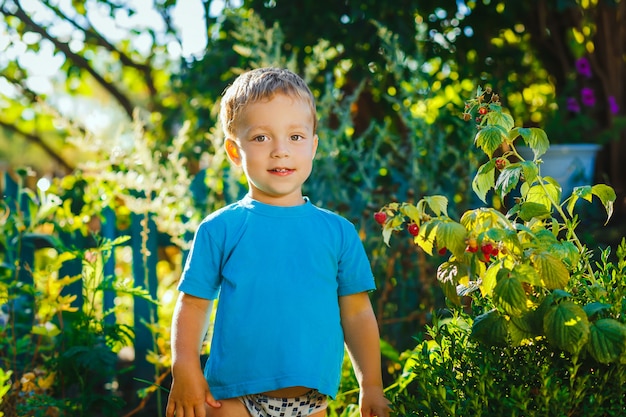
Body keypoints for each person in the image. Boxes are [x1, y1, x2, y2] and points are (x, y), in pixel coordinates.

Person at [165, 67, 391, 417]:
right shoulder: (220, 228)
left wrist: (372, 386)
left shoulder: (338, 232)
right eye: (261, 138)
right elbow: (193, 305)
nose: (280, 151)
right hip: (231, 397)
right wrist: (185, 369)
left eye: (296, 137)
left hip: (311, 402)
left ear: (313, 146)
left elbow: (358, 313)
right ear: (234, 151)